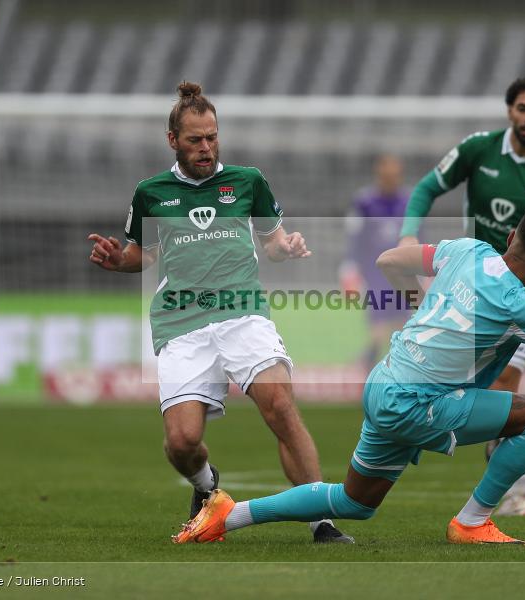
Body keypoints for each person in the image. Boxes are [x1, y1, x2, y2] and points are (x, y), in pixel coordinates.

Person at [173, 209, 525, 546]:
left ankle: (227, 514)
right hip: (416, 403)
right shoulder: (520, 305)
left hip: (384, 383)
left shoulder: (466, 250)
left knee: (355, 502)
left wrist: (417, 303)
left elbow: (387, 261)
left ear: (511, 238)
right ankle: (472, 523)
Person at [87, 82, 352, 543]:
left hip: (243, 313)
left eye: (212, 136)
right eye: (195, 139)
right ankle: (207, 487)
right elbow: (143, 255)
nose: (206, 147)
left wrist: (286, 247)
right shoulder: (151, 192)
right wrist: (118, 260)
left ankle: (320, 520)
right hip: (180, 323)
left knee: (281, 408)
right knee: (182, 443)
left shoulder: (248, 181)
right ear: (173, 140)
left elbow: (272, 243)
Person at [398, 76, 525, 516]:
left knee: (505, 385)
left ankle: (511, 493)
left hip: (520, 302)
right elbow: (426, 188)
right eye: (523, 108)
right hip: (466, 290)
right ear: (510, 110)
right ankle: (408, 439)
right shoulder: (478, 149)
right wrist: (407, 237)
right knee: (440, 380)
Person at [339, 155, 413, 371]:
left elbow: (418, 233)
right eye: (386, 176)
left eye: (395, 176)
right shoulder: (364, 202)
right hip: (374, 270)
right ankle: (371, 364)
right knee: (379, 320)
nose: (391, 180)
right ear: (379, 175)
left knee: (402, 320)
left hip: (401, 270)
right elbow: (354, 236)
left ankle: (395, 365)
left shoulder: (408, 201)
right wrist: (350, 266)